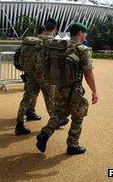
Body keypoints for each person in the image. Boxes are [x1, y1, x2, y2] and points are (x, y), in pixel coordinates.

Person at [36, 22, 98, 155]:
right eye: (85, 33)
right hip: (74, 89)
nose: (85, 35)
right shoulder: (82, 49)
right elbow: (88, 73)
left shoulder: (60, 46)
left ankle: (44, 134)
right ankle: (72, 145)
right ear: (81, 33)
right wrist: (94, 91)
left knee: (59, 113)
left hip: (59, 87)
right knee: (78, 114)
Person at [15, 18, 69, 135]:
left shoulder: (35, 40)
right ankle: (55, 122)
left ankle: (19, 124)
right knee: (50, 99)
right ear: (54, 29)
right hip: (45, 76)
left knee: (27, 98)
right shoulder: (52, 42)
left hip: (32, 74)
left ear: (45, 28)